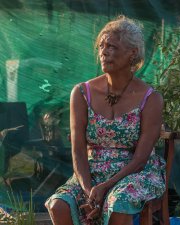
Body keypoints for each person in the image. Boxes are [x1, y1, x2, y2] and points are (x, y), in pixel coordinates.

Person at [45, 15, 165, 225]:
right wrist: (88, 190)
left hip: (134, 173)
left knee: (117, 201)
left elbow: (140, 160)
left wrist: (105, 187)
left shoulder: (151, 98)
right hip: (91, 172)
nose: (103, 51)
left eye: (112, 46)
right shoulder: (82, 93)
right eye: (101, 46)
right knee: (59, 204)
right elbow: (78, 149)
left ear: (132, 53)